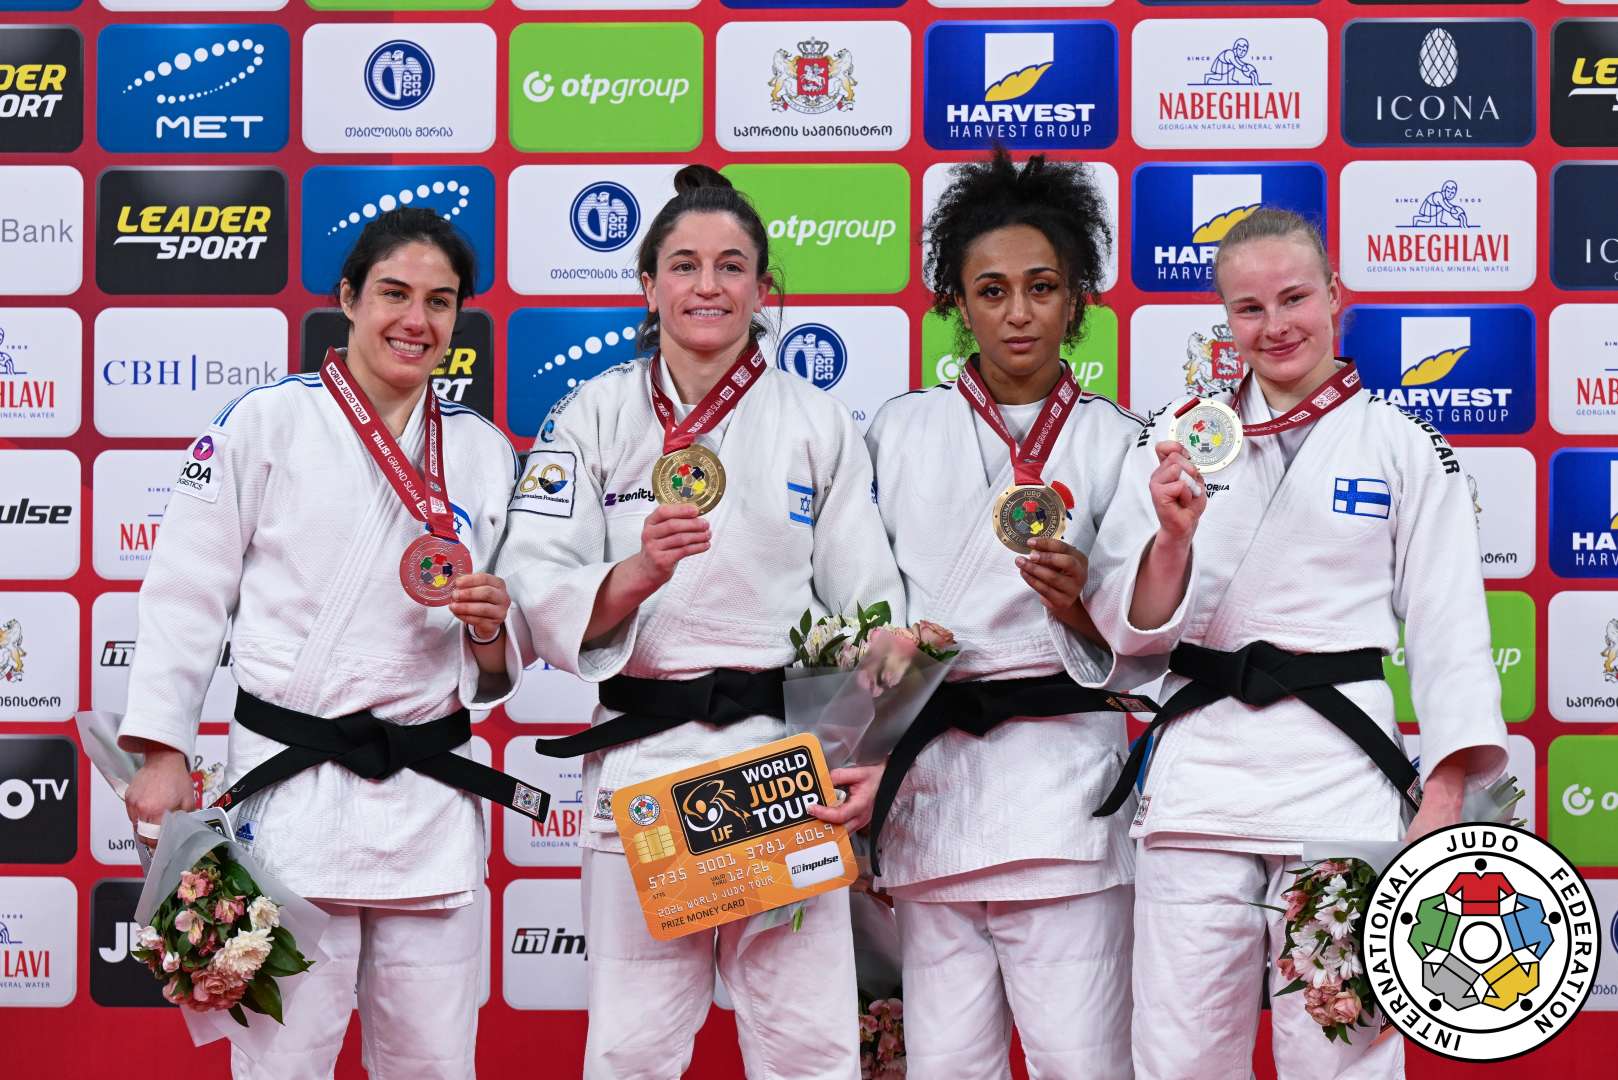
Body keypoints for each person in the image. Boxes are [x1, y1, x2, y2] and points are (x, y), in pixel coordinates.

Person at [497, 164, 904, 1080]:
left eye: (731, 266)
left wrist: (869, 745)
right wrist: (636, 572)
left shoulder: (815, 420)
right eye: (684, 265)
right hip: (644, 763)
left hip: (779, 768)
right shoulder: (592, 415)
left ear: (765, 287)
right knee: (633, 1045)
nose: (708, 286)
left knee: (808, 1043)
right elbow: (533, 572)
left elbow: (871, 604)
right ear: (648, 286)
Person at [1085, 207, 1509, 1079]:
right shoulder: (1178, 441)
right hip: (1202, 783)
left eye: (1293, 298)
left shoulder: (1402, 444)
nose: (1274, 326)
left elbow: (1448, 623)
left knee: (1341, 1054)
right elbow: (1125, 627)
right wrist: (1170, 540)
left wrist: (1447, 791)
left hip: (1342, 787)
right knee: (1180, 1056)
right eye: (1248, 308)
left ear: (1335, 296)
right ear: (1224, 319)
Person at [119, 207, 528, 1080]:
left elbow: (504, 648)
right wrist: (160, 748)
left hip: (428, 803)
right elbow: (185, 596)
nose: (416, 321)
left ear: (459, 321)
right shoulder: (263, 425)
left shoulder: (486, 453)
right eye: (394, 293)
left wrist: (494, 631)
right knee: (283, 1066)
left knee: (435, 1064)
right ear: (348, 298)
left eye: (440, 302)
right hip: (291, 801)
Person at [861, 149, 1152, 1079]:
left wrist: (1086, 609)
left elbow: (1155, 634)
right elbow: (861, 598)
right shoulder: (898, 431)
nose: (1017, 312)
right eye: (991, 290)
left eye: (1041, 287)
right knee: (947, 1065)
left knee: (1082, 1061)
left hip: (1065, 795)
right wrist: (893, 646)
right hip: (934, 793)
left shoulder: (1122, 442)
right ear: (958, 300)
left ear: (1078, 299)